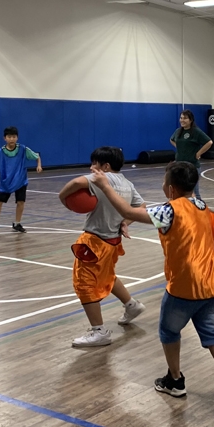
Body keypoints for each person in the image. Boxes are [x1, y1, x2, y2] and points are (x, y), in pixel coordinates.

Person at [91, 160, 214, 409]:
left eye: (164, 182)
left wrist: (104, 185)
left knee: (169, 331)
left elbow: (129, 211)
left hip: (186, 287)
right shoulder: (207, 209)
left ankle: (175, 381)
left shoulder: (170, 211)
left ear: (171, 188)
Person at [58, 146, 147, 348]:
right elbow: (141, 206)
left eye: (94, 164)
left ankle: (99, 332)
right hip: (113, 241)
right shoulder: (127, 183)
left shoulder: (101, 178)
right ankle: (132, 305)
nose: (91, 168)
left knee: (84, 283)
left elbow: (76, 182)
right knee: (106, 275)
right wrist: (126, 222)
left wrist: (62, 197)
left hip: (95, 240)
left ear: (105, 166)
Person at [0, 127, 41, 234]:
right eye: (9, 137)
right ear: (5, 138)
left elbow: (37, 156)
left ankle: (17, 223)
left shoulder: (23, 149)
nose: (12, 139)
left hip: (20, 180)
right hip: (6, 182)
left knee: (21, 202)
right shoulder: (0, 152)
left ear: (17, 138)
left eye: (14, 137)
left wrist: (39, 165)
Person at [169, 110, 212, 200]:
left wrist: (199, 153)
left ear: (191, 120)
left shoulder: (196, 132)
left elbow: (209, 142)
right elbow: (171, 140)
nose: (182, 120)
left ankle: (199, 207)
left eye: (185, 118)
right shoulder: (178, 131)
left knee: (194, 192)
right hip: (179, 166)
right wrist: (179, 147)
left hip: (192, 166)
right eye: (181, 118)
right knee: (180, 191)